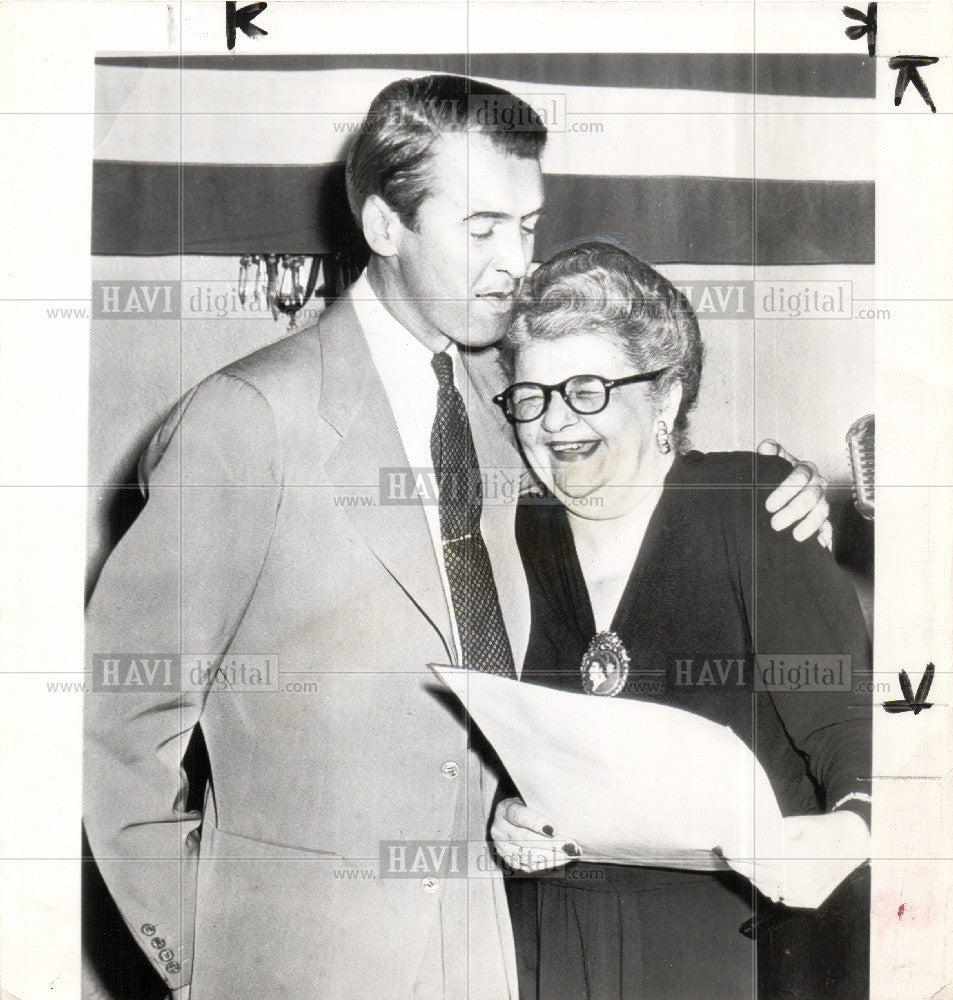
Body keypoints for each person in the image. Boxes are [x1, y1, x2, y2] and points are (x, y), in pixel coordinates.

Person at [84, 75, 830, 1000]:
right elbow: (115, 723)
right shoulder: (248, 419)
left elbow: (624, 469)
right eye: (480, 230)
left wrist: (768, 488)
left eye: (526, 225)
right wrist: (200, 955)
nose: (515, 263)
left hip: (492, 952)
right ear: (384, 226)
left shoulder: (504, 404)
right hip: (291, 962)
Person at [490, 242, 872, 1000]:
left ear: (664, 398)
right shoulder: (515, 533)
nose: (554, 421)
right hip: (557, 942)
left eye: (588, 389)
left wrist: (850, 827)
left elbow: (849, 727)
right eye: (531, 395)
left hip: (740, 948)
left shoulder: (749, 504)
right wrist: (503, 817)